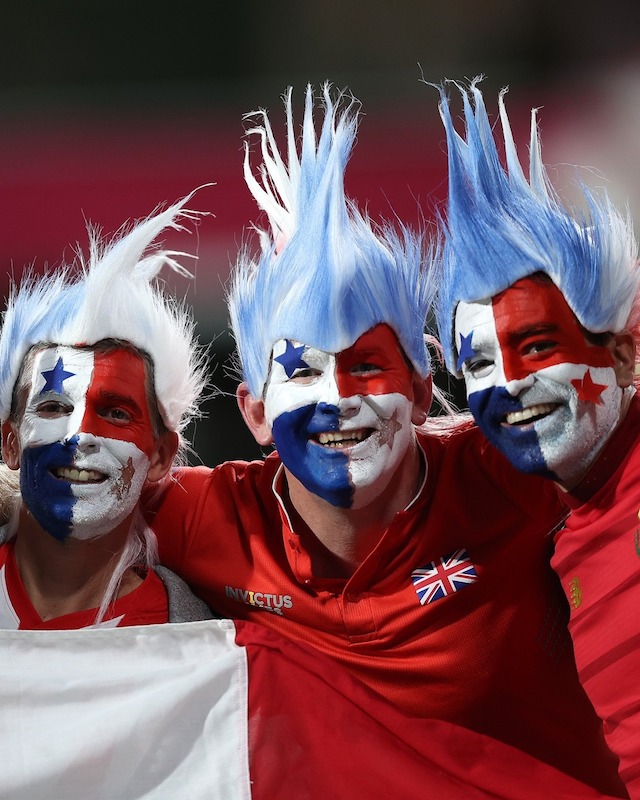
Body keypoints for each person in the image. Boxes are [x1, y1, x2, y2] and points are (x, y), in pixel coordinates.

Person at [146, 84, 625, 795]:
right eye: (303, 371)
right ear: (253, 412)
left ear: (422, 387)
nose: (338, 400)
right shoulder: (200, 516)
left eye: (366, 366)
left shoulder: (511, 470)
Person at [433, 79, 640, 796]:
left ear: (621, 351)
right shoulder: (555, 518)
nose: (511, 383)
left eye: (538, 345)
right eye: (481, 363)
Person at [0, 195, 212, 627]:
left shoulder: (203, 648)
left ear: (160, 456)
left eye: (115, 413)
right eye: (55, 406)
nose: (78, 435)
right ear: (11, 443)